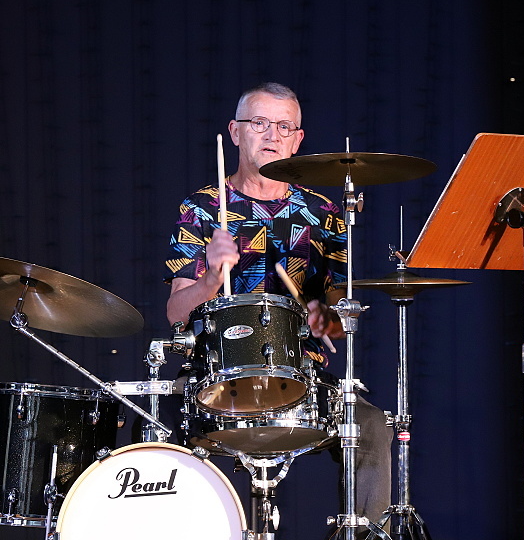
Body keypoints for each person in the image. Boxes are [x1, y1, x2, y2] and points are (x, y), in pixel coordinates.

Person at [163, 82, 392, 533]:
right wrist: (211, 279)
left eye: (284, 126)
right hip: (215, 374)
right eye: (259, 123)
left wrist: (327, 319)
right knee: (153, 428)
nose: (272, 135)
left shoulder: (323, 213)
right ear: (235, 132)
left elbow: (335, 318)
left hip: (300, 374)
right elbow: (175, 313)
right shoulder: (203, 208)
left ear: (298, 139)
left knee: (371, 427)